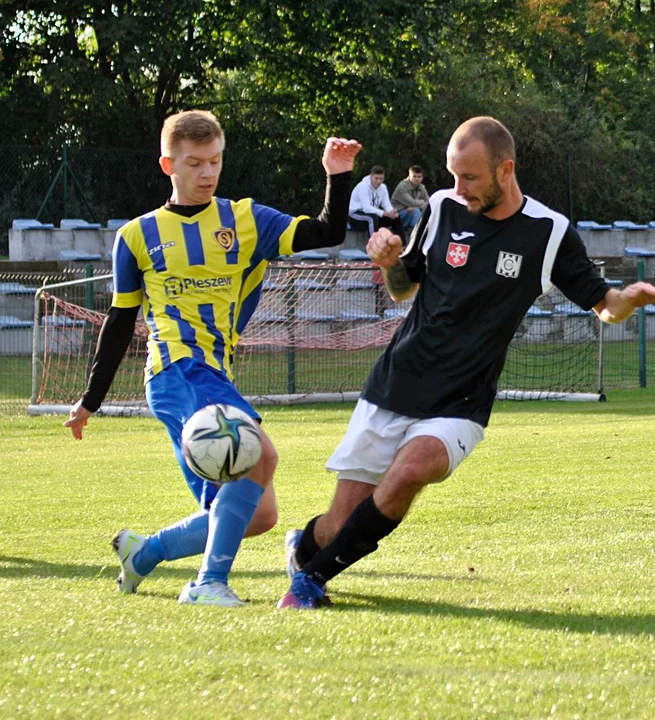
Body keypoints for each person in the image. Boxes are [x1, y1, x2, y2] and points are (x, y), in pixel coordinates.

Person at [277, 116, 655, 609]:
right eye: (452, 175)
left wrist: (627, 299)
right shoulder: (441, 208)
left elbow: (603, 305)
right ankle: (306, 548)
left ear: (506, 170)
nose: (457, 188)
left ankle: (309, 580)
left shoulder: (547, 232)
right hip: (396, 381)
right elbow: (403, 289)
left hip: (462, 400)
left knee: (411, 470)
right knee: (339, 521)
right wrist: (389, 262)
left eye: (470, 177)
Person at [64, 109, 362, 606]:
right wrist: (91, 399)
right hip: (176, 370)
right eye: (195, 163)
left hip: (212, 373)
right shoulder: (136, 236)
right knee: (262, 453)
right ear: (169, 165)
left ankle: (145, 553)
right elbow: (120, 323)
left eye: (215, 162)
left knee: (259, 514)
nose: (207, 173)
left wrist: (337, 175)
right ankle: (207, 585)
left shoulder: (244, 219)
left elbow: (327, 232)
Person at [349, 165, 405, 239]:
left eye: (381, 178)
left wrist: (392, 212)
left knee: (396, 218)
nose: (378, 181)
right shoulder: (363, 186)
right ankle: (373, 246)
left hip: (373, 215)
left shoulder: (383, 187)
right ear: (371, 176)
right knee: (371, 218)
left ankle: (402, 245)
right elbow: (367, 208)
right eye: (376, 178)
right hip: (355, 216)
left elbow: (386, 204)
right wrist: (385, 213)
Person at [390, 165, 430, 238]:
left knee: (424, 212)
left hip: (409, 214)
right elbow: (412, 202)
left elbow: (429, 202)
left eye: (419, 177)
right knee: (415, 211)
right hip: (396, 217)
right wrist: (419, 204)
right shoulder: (402, 187)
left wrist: (416, 205)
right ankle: (416, 236)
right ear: (409, 176)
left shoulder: (421, 187)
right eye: (414, 176)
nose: (417, 179)